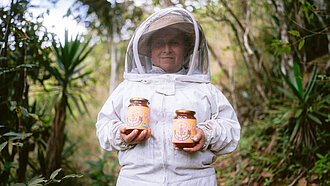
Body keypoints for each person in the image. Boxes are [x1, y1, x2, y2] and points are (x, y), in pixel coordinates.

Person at [96, 7, 240, 186]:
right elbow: (103, 127)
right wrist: (121, 134)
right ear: (149, 50)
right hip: (137, 180)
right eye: (159, 43)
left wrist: (207, 134)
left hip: (194, 181)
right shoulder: (128, 88)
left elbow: (231, 129)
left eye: (175, 43)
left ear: (188, 49)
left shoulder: (204, 89)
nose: (167, 49)